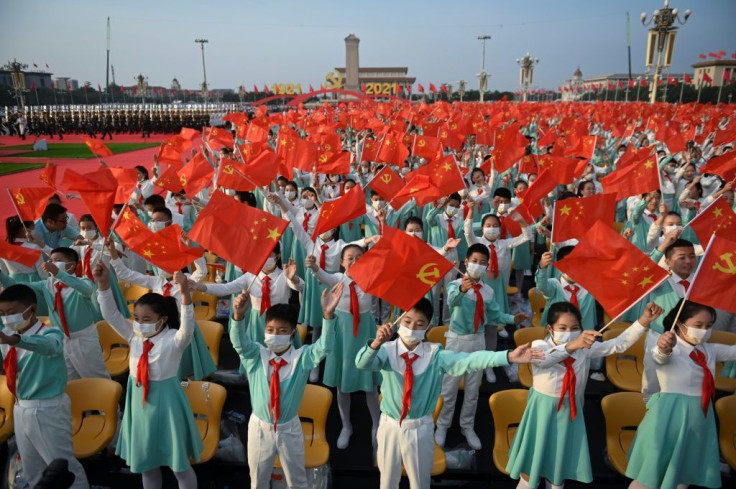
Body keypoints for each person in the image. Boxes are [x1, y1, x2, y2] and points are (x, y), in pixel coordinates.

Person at [356, 297, 544, 489]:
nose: (412, 328)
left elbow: (470, 360)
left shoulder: (435, 355)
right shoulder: (386, 351)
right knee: (387, 482)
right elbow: (362, 363)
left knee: (420, 483)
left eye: (419, 323)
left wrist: (508, 356)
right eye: (407, 322)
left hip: (420, 429)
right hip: (389, 426)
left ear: (428, 327)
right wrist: (376, 343)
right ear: (397, 321)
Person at [507, 301, 664, 489]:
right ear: (550, 329)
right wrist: (573, 345)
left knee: (558, 470)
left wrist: (643, 321)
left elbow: (618, 345)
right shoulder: (540, 344)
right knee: (530, 471)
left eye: (575, 328)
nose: (569, 331)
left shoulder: (584, 348)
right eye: (562, 328)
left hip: (569, 413)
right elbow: (546, 360)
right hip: (541, 413)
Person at [94, 263, 201, 489]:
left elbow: (188, 328)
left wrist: (185, 297)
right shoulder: (134, 336)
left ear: (162, 319)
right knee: (147, 464)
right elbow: (111, 314)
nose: (140, 324)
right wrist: (103, 285)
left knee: (179, 465)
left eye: (146, 319)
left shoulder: (174, 339)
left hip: (168, 403)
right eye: (137, 318)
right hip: (139, 402)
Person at [229, 283, 342, 489]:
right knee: (258, 481)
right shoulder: (256, 355)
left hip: (289, 428)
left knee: (297, 481)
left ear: (292, 335)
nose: (275, 334)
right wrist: (238, 316)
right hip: (259, 428)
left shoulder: (302, 358)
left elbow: (324, 346)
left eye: (282, 331)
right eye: (270, 330)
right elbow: (238, 342)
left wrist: (327, 315)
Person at [626, 300, 736, 489]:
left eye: (709, 326)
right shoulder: (669, 348)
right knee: (649, 476)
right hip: (668, 418)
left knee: (683, 473)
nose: (705, 330)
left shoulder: (709, 350)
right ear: (679, 323)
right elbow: (660, 357)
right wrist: (663, 347)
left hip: (699, 420)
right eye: (698, 325)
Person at [435, 244, 528, 449]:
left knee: (472, 389)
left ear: (487, 267)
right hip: (456, 340)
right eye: (474, 261)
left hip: (478, 340)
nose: (478, 266)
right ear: (466, 262)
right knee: (449, 388)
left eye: (483, 263)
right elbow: (451, 301)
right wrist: (461, 289)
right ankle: (442, 425)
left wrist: (513, 318)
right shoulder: (456, 284)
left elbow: (494, 316)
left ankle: (467, 426)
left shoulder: (488, 290)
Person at [0, 284, 89, 488]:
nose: (7, 318)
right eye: (2, 313)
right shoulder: (5, 334)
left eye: (12, 313)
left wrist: (15, 340)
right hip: (20, 407)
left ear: (31, 309)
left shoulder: (51, 333)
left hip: (48, 409)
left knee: (63, 467)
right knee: (32, 471)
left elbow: (49, 347)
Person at [306, 244, 382, 449]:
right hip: (342, 335)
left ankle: (377, 425)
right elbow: (322, 276)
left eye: (359, 257)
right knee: (342, 383)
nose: (355, 261)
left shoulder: (370, 278)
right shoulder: (338, 280)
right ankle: (346, 425)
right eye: (350, 258)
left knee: (371, 385)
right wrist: (313, 266)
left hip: (365, 333)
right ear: (341, 262)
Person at [106, 241, 216, 380]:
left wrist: (191, 249)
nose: (162, 267)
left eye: (167, 262)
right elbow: (126, 274)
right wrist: (113, 254)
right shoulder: (156, 281)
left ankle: (189, 385)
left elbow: (202, 271)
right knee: (166, 363)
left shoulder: (186, 279)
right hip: (159, 328)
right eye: (160, 263)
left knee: (186, 362)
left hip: (182, 327)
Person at [0, 247, 109, 380]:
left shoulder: (83, 281)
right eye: (51, 260)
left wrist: (59, 273)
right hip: (61, 340)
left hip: (83, 340)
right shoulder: (47, 285)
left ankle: (110, 400)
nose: (52, 263)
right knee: (68, 381)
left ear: (71, 264)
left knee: (96, 379)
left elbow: (86, 289)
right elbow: (15, 286)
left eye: (57, 260)